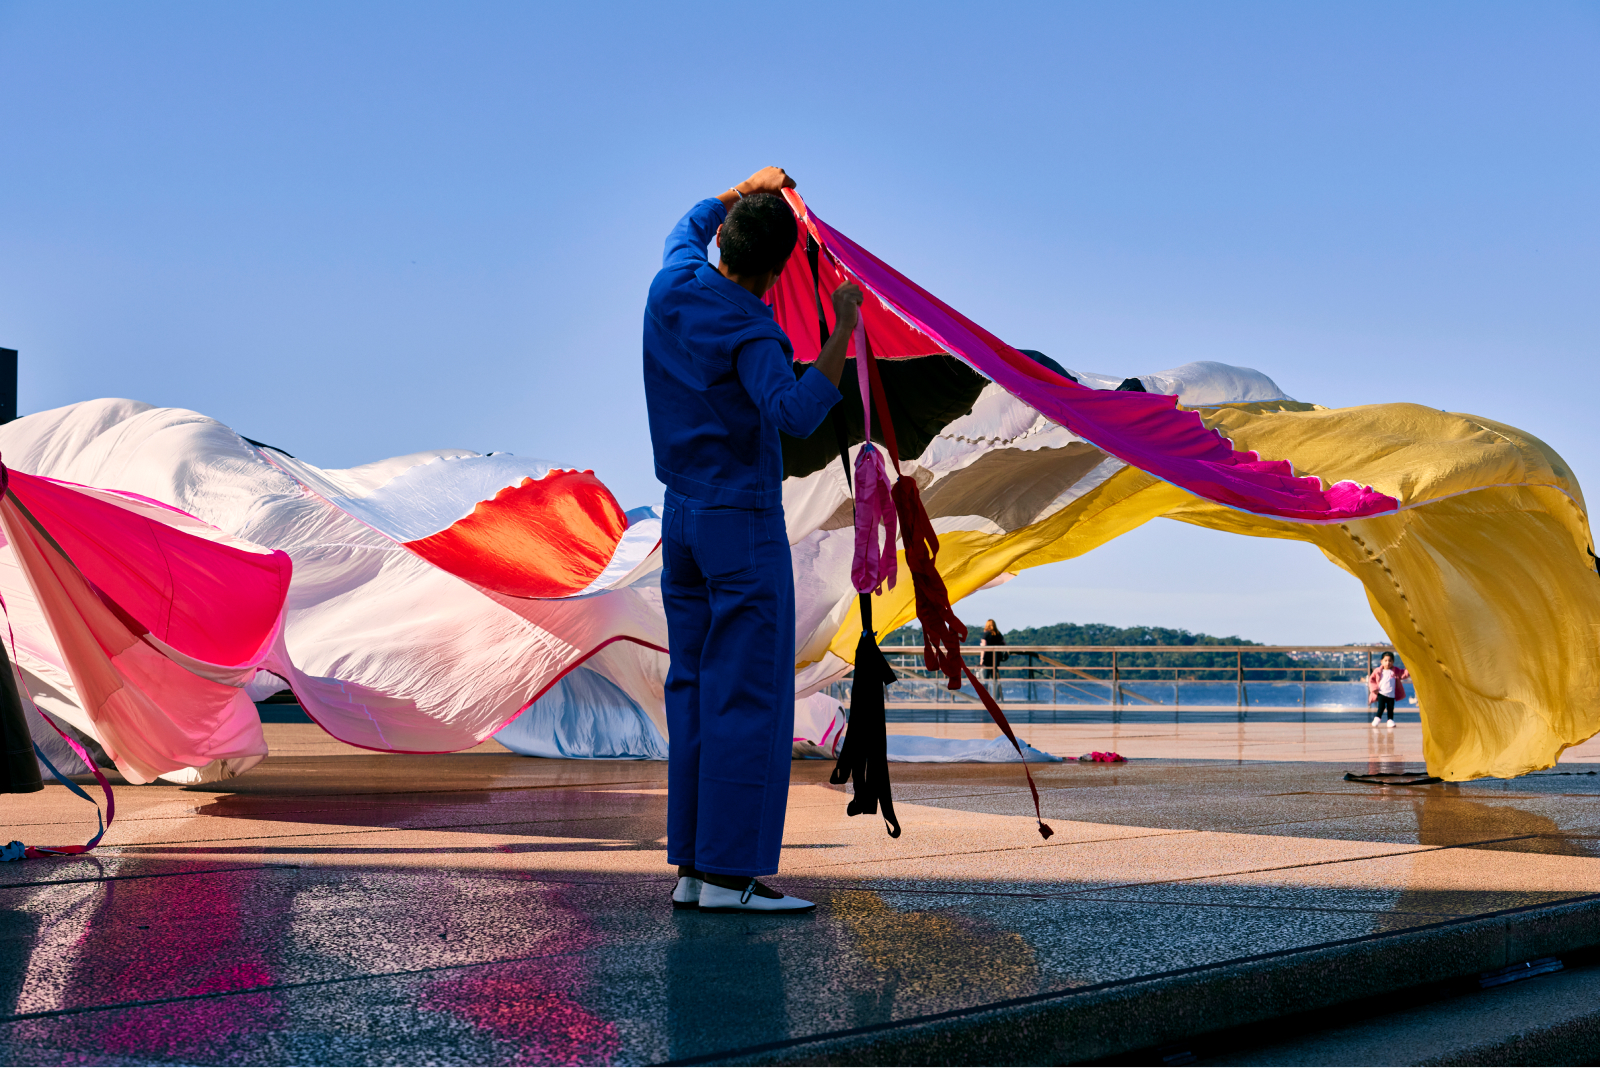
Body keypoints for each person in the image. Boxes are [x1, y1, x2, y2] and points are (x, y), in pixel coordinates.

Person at [644, 167, 863, 914]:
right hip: (739, 523)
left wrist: (747, 186)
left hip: (682, 524)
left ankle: (695, 870)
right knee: (749, 697)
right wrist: (840, 329)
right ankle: (733, 879)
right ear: (774, 275)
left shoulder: (671, 281)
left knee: (696, 692)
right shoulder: (752, 327)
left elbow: (692, 216)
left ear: (722, 244)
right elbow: (797, 411)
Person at [1367, 651, 1411, 729]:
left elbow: (1403, 674)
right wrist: (1374, 689)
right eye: (1386, 660)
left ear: (1393, 661)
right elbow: (1372, 680)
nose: (1388, 663)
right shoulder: (1378, 671)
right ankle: (1377, 719)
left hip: (1391, 694)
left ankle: (1390, 720)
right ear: (1381, 661)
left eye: (1390, 661)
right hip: (1381, 693)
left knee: (1390, 708)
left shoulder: (1395, 671)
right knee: (1381, 707)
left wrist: (1410, 669)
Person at [979, 619, 1009, 699]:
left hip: (987, 658)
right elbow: (1005, 644)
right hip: (996, 659)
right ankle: (997, 696)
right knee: (994, 678)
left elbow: (983, 647)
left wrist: (981, 659)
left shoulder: (986, 634)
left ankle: (984, 697)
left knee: (985, 678)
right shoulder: (998, 634)